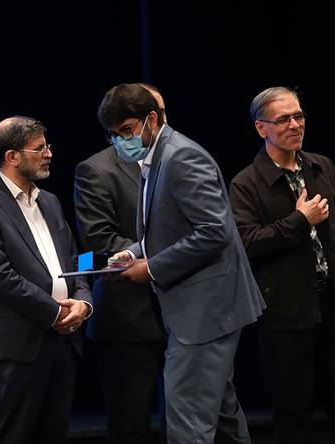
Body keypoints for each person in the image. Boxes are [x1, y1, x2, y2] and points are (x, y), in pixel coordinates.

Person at [98, 83, 265, 444]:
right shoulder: (156, 157)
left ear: (151, 119)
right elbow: (172, 226)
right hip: (199, 311)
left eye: (127, 130)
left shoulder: (181, 157)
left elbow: (214, 232)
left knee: (187, 421)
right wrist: (135, 252)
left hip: (205, 313)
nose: (122, 141)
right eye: (114, 135)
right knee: (222, 416)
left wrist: (151, 268)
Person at [229, 86, 335, 444]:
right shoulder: (246, 183)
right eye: (283, 119)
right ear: (261, 128)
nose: (295, 125)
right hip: (285, 316)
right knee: (293, 418)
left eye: (299, 116)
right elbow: (247, 244)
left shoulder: (321, 166)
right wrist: (299, 221)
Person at [0, 116, 93, 444]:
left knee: (54, 435)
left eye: (48, 146)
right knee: (13, 436)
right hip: (18, 343)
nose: (49, 154)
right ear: (12, 157)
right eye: (39, 148)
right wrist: (55, 311)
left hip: (63, 340)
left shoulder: (50, 201)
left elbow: (77, 260)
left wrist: (84, 301)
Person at [73, 83, 167, 444]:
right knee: (131, 425)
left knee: (189, 421)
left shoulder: (178, 161)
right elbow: (98, 240)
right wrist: (165, 258)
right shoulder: (96, 169)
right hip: (128, 316)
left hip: (181, 310)